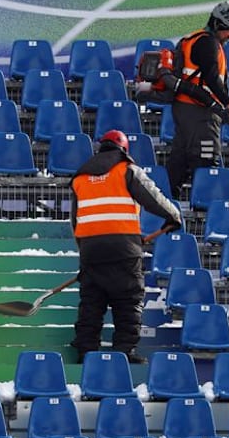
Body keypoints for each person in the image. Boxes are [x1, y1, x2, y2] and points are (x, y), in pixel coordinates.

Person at [69, 130, 181, 364]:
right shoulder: (126, 170)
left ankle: (86, 350)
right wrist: (173, 215)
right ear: (123, 150)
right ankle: (124, 350)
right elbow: (153, 197)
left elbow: (75, 220)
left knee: (92, 301)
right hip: (123, 250)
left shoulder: (80, 178)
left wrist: (85, 251)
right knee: (128, 299)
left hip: (91, 250)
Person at [165, 0, 229, 198]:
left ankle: (168, 200)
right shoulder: (207, 43)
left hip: (184, 108)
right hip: (200, 111)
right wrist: (228, 102)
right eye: (228, 30)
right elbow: (210, 77)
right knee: (207, 159)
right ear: (217, 24)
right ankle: (207, 206)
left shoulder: (193, 39)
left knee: (180, 157)